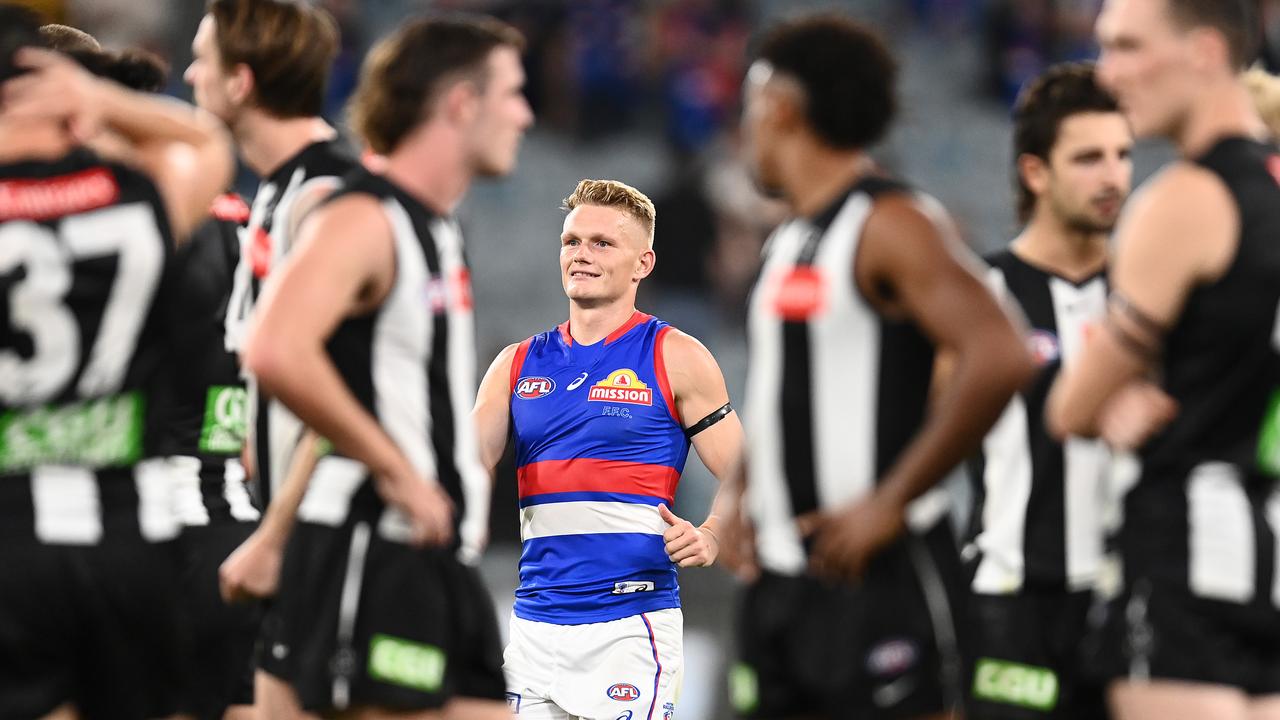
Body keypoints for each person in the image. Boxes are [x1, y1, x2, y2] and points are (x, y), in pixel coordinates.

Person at [721, 14, 1034, 720]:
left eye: (748, 110)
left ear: (779, 106)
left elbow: (999, 353)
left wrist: (890, 501)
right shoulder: (789, 240)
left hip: (881, 579)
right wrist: (740, 492)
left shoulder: (893, 222)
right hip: (781, 582)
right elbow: (784, 390)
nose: (744, 131)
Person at [242, 14, 533, 718]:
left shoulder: (433, 225)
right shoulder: (364, 217)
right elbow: (275, 347)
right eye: (511, 93)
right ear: (461, 103)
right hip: (373, 544)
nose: (524, 114)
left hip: (432, 551)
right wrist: (399, 470)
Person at [1046, 1, 1280, 719]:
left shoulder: (1181, 202)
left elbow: (1070, 407)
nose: (1108, 74)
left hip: (1179, 560)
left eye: (1127, 48)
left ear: (1205, 52)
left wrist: (1113, 395)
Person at [0, 5, 234, 718]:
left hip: (11, 537)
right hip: (133, 536)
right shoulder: (138, 201)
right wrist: (105, 100)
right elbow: (210, 144)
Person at [471, 178, 745, 720]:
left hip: (630, 629)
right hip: (534, 629)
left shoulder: (676, 357)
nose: (581, 254)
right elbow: (460, 471)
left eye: (602, 243)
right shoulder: (515, 365)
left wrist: (713, 534)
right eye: (571, 241)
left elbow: (749, 474)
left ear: (643, 264)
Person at [180, 1, 359, 714]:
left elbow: (347, 391)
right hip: (292, 525)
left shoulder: (322, 197)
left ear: (241, 83)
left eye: (203, 59)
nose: (189, 74)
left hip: (329, 536)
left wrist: (275, 535)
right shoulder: (275, 193)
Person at [963, 61, 1133, 720]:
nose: (1114, 175)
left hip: (1130, 599)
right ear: (1036, 172)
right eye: (1089, 157)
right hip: (1010, 605)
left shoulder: (1154, 299)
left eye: (1122, 154)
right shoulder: (979, 298)